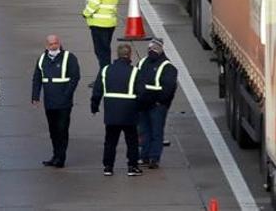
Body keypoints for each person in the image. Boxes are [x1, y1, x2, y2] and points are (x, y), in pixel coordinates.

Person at [90, 43, 145, 177]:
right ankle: (132, 166)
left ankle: (108, 167)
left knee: (110, 141)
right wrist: (139, 108)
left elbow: (97, 90)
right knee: (131, 141)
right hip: (129, 113)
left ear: (117, 54)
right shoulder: (134, 72)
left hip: (112, 113)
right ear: (129, 55)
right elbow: (142, 93)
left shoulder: (106, 70)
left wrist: (94, 106)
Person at [30, 34, 80, 168]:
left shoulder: (69, 57)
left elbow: (75, 77)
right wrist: (35, 96)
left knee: (62, 129)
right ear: (46, 45)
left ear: (59, 43)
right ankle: (55, 155)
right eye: (51, 44)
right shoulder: (42, 59)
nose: (54, 46)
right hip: (50, 102)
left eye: (56, 43)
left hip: (64, 102)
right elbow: (37, 78)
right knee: (53, 130)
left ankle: (61, 158)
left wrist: (67, 95)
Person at [136, 38, 178, 169]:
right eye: (150, 49)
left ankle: (154, 158)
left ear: (160, 50)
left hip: (157, 105)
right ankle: (145, 156)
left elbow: (169, 88)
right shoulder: (142, 62)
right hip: (143, 104)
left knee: (156, 132)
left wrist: (160, 102)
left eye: (154, 49)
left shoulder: (168, 67)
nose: (151, 51)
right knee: (144, 131)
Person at [82, 0, 121, 76]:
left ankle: (104, 76)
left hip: (99, 24)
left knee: (101, 52)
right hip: (110, 23)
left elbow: (93, 4)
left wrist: (85, 13)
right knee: (106, 50)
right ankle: (106, 75)